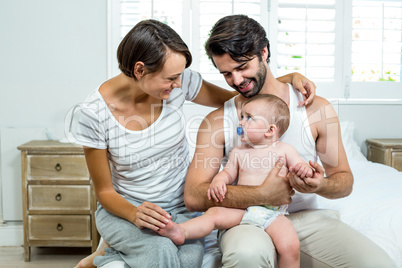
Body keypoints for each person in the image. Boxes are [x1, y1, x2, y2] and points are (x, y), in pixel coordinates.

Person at [71, 19, 315, 268]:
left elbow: (238, 96)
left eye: (180, 76)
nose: (178, 85)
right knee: (160, 251)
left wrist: (286, 79)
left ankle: (109, 255)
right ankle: (110, 250)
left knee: (189, 260)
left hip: (179, 210)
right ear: (140, 70)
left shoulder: (179, 83)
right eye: (171, 78)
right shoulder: (93, 114)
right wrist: (135, 214)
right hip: (129, 210)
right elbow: (104, 192)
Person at [184, 15, 394, 268]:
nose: (236, 81)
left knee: (377, 263)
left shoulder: (316, 110)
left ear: (264, 52)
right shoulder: (218, 120)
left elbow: (344, 181)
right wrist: (259, 194)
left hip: (307, 221)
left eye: (242, 68)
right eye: (226, 73)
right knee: (246, 256)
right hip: (245, 220)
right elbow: (194, 196)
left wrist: (319, 186)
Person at [158, 94, 314, 268]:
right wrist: (218, 180)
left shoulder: (285, 150)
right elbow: (228, 173)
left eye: (249, 118)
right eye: (241, 117)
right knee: (213, 215)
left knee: (291, 246)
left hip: (272, 214)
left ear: (270, 130)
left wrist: (304, 169)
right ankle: (182, 231)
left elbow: (299, 166)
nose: (240, 122)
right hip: (242, 209)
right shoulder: (239, 152)